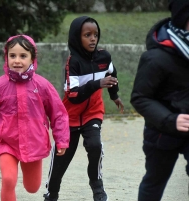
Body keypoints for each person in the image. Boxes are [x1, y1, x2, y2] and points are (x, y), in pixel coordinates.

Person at [0, 35, 70, 201]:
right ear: (6, 57)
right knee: (8, 179)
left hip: (34, 143)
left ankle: (30, 182)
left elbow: (58, 114)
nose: (17, 60)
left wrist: (61, 140)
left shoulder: (42, 85)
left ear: (32, 59)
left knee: (32, 187)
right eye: (12, 56)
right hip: (7, 143)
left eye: (23, 56)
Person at [43, 16, 124, 201]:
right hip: (69, 117)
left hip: (92, 113)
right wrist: (97, 84)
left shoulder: (104, 57)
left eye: (95, 34)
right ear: (76, 37)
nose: (93, 39)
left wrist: (114, 96)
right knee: (62, 158)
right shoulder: (73, 62)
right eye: (87, 35)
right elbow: (74, 95)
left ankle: (98, 188)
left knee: (95, 146)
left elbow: (112, 73)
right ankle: (51, 193)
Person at [130, 0, 189, 200]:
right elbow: (140, 97)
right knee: (154, 181)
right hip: (162, 131)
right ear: (183, 19)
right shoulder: (155, 57)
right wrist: (170, 120)